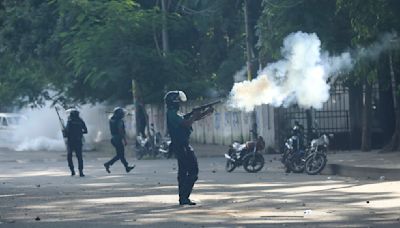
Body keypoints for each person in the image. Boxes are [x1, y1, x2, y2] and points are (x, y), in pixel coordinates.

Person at [164, 91, 214, 206]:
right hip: (181, 145)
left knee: (185, 172)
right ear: (174, 101)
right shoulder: (172, 114)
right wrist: (195, 115)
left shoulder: (175, 113)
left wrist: (205, 113)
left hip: (182, 145)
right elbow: (186, 123)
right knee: (192, 171)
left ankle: (183, 197)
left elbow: (191, 119)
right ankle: (184, 197)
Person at [104, 107, 135, 173]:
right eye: (121, 113)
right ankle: (107, 164)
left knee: (121, 154)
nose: (122, 114)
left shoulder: (112, 120)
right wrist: (125, 139)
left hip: (113, 138)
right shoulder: (119, 121)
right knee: (120, 155)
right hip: (118, 139)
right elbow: (120, 130)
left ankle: (127, 167)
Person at [65, 108, 88, 177]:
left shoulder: (69, 121)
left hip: (71, 141)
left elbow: (66, 132)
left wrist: (65, 132)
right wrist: (80, 132)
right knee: (79, 156)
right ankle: (80, 171)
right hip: (78, 140)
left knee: (69, 156)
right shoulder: (80, 121)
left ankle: (72, 170)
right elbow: (86, 131)